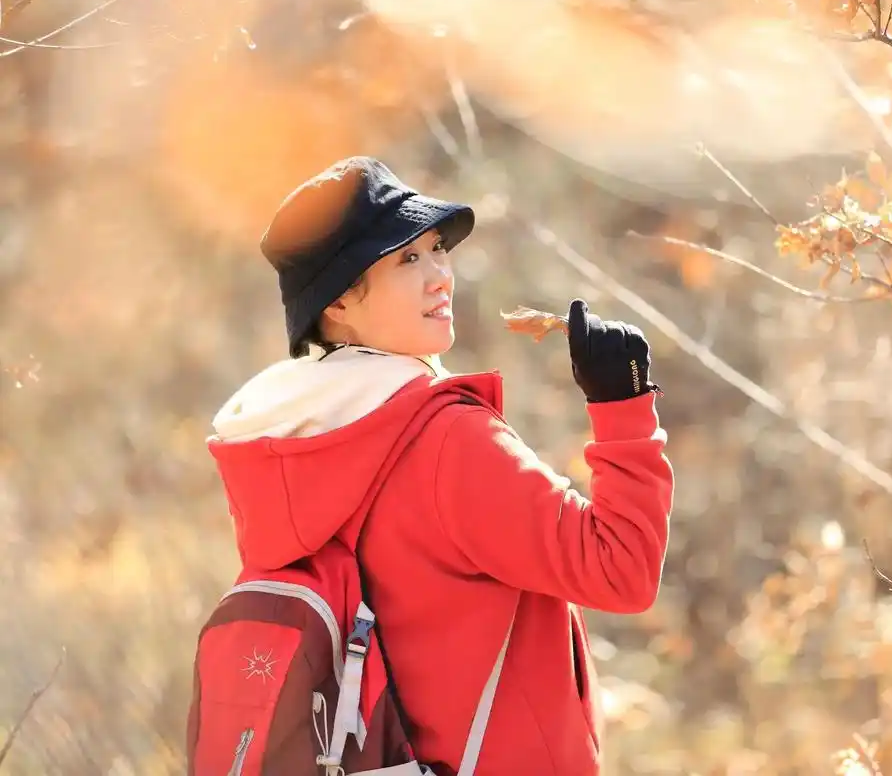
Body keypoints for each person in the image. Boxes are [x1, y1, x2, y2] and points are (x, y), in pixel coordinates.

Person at [205, 155, 675, 775]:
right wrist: (622, 406)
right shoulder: (445, 440)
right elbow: (622, 570)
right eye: (407, 259)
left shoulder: (288, 444)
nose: (440, 278)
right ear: (339, 299)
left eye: (437, 250)